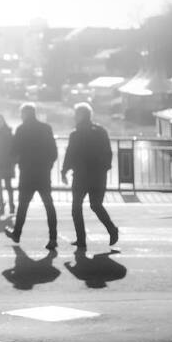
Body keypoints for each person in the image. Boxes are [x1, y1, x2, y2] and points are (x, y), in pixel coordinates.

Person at [61, 102, 119, 250]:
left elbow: (70, 154)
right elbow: (108, 152)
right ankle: (112, 229)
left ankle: (81, 239)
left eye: (76, 114)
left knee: (76, 208)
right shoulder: (101, 131)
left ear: (80, 116)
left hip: (81, 176)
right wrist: (105, 169)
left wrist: (64, 171)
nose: (74, 117)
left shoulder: (76, 133)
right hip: (98, 176)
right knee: (96, 205)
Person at [5, 102, 58, 251]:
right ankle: (53, 238)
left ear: (24, 114)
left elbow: (13, 151)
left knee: (23, 205)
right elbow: (53, 151)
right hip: (43, 173)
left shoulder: (21, 130)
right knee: (49, 205)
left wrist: (14, 162)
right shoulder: (46, 128)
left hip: (27, 173)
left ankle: (17, 233)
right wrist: (48, 165)